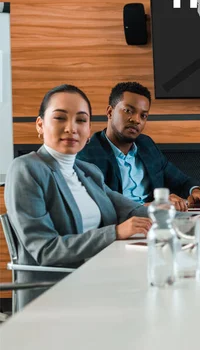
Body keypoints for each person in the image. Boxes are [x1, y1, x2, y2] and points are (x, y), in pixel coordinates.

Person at [4, 84, 153, 310]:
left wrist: (190, 222)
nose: (71, 128)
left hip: (102, 280)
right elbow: (45, 250)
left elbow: (131, 210)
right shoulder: (26, 169)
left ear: (89, 128)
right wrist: (114, 232)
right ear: (40, 125)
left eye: (81, 120)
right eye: (60, 118)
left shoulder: (87, 171)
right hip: (58, 294)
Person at [77, 82, 200, 211]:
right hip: (122, 227)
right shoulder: (87, 153)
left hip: (156, 222)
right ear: (109, 112)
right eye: (128, 111)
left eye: (143, 115)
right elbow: (98, 206)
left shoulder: (146, 145)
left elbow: (181, 180)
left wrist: (196, 191)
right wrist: (149, 207)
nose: (136, 120)